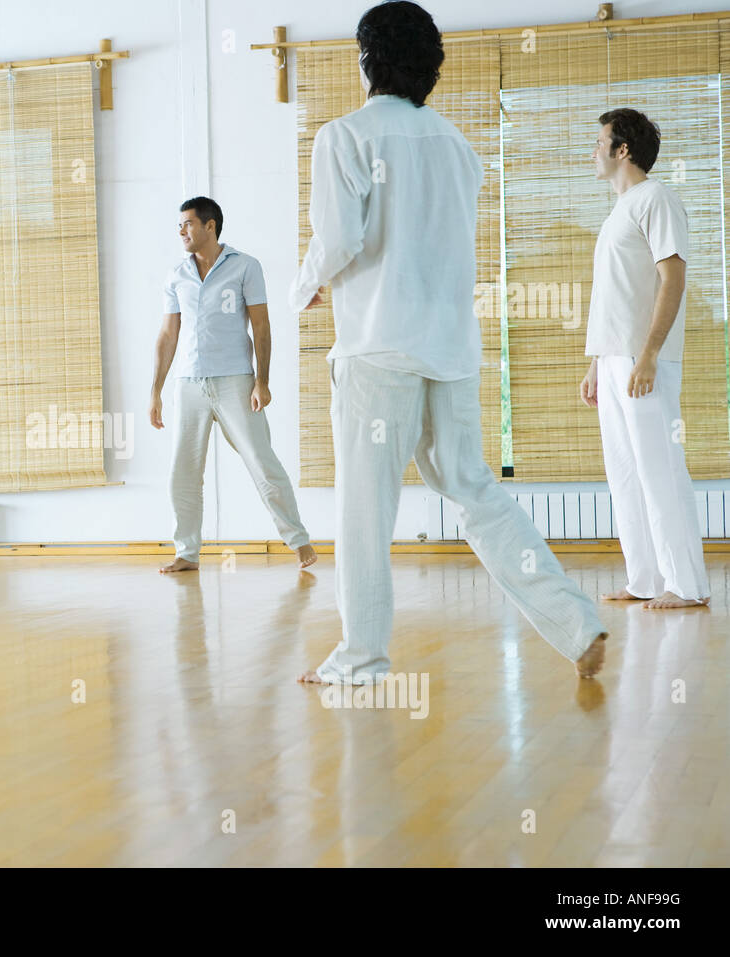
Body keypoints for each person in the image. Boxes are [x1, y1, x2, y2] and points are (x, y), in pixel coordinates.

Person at [291, 1, 607, 683]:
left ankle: (361, 657)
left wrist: (306, 285)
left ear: (365, 58)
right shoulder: (457, 147)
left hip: (379, 350)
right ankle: (577, 622)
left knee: (365, 510)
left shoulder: (343, 136)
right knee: (477, 492)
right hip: (452, 350)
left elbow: (342, 239)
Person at [580, 109, 710, 610]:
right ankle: (647, 579)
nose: (594, 151)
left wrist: (650, 354)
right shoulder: (619, 210)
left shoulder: (657, 198)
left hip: (642, 360)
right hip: (614, 359)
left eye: (600, 142)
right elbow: (615, 297)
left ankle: (688, 585)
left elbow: (672, 278)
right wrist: (597, 362)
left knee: (659, 469)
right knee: (625, 474)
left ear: (623, 150)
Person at [150, 196, 316, 574]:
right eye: (180, 225)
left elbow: (261, 325)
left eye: (188, 224)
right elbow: (167, 335)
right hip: (189, 383)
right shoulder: (176, 274)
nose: (181, 231)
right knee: (183, 471)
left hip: (236, 382)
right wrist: (155, 391)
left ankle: (298, 539)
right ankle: (187, 553)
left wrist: (263, 380)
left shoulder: (245, 266)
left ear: (210, 226)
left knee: (261, 460)